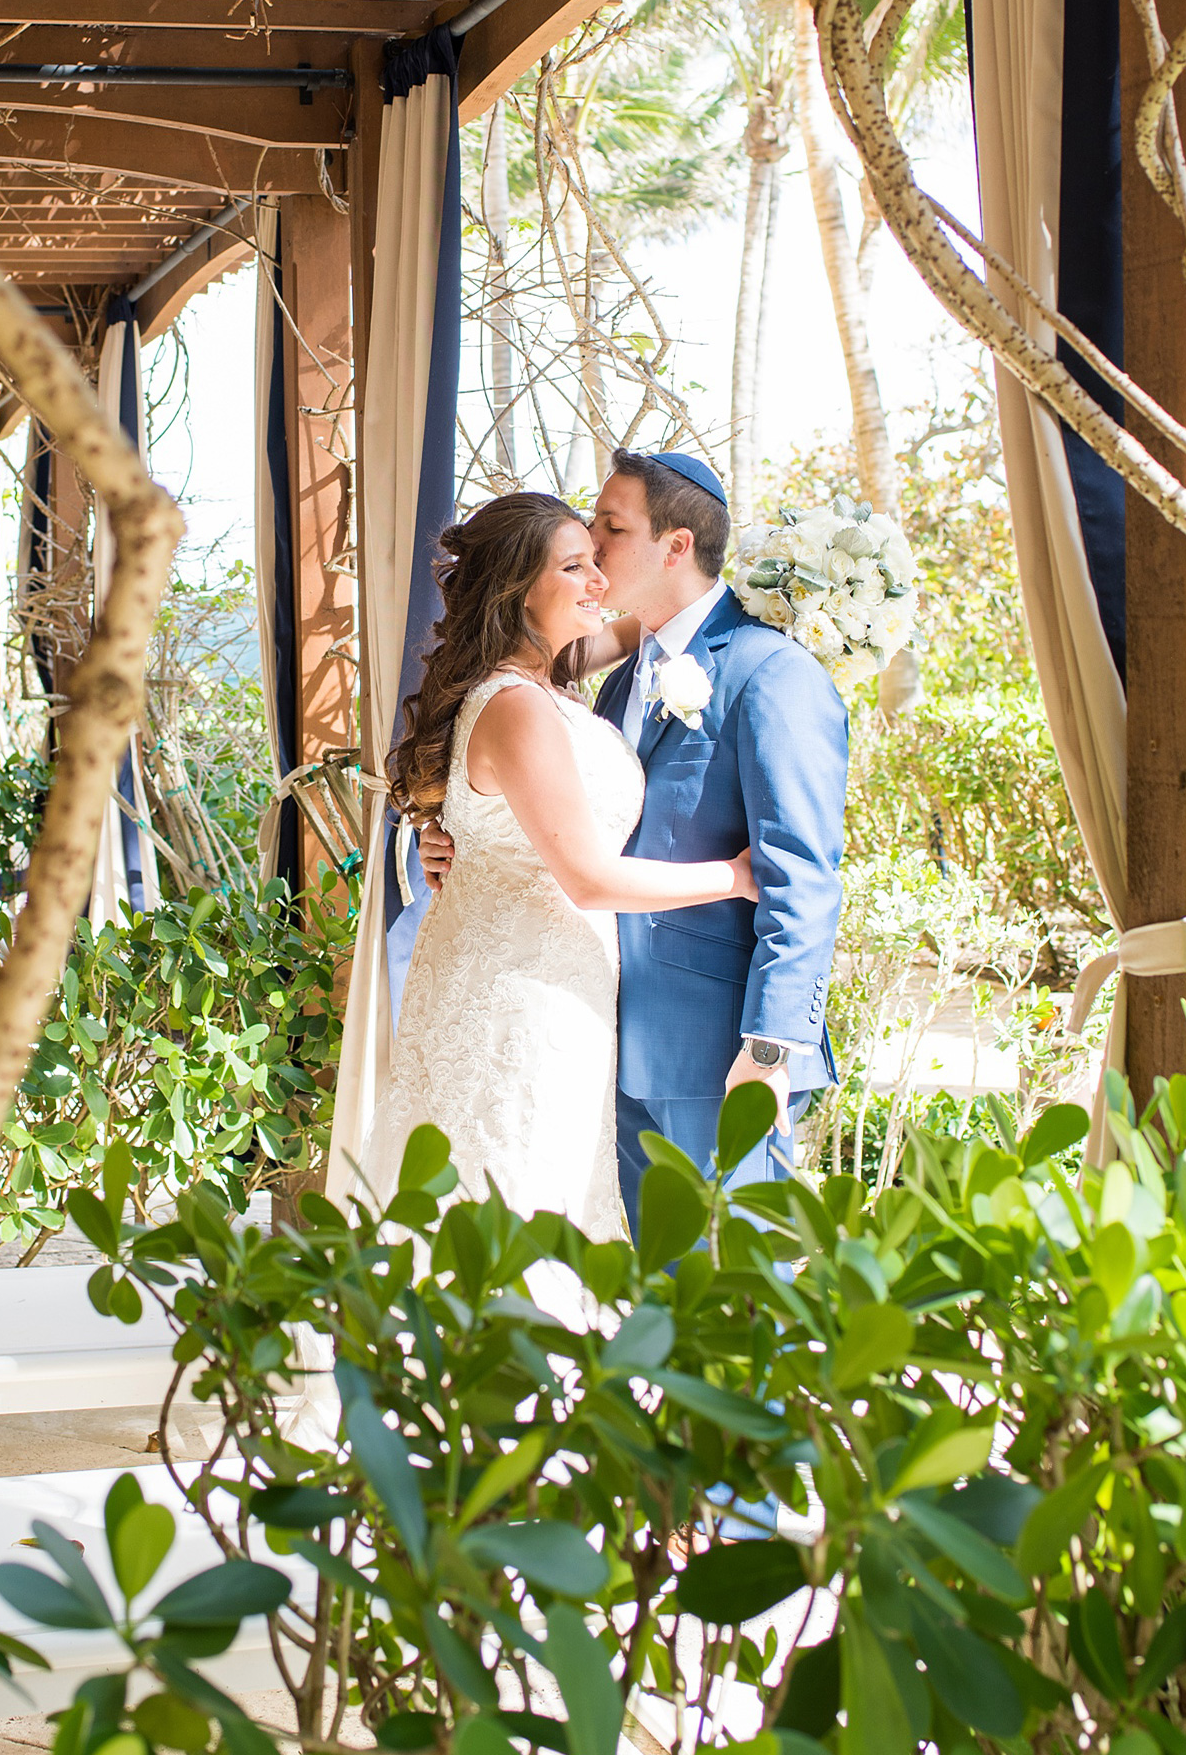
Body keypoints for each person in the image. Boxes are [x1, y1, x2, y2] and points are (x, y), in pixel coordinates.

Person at [422, 450, 848, 1236]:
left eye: (611, 529)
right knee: (656, 1300)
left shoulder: (771, 672)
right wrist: (460, 838)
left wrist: (771, 1047)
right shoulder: (613, 676)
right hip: (599, 1035)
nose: (595, 546)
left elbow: (803, 878)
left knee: (743, 1293)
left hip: (717, 1051)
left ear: (675, 546)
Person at [363, 491, 754, 1240]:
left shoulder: (551, 677)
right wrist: (735, 877)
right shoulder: (517, 704)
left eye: (596, 558)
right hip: (517, 991)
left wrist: (787, 586)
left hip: (548, 977)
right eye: (575, 566)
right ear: (517, 590)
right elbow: (588, 878)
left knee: (534, 1190)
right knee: (510, 1187)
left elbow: (665, 607)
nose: (599, 579)